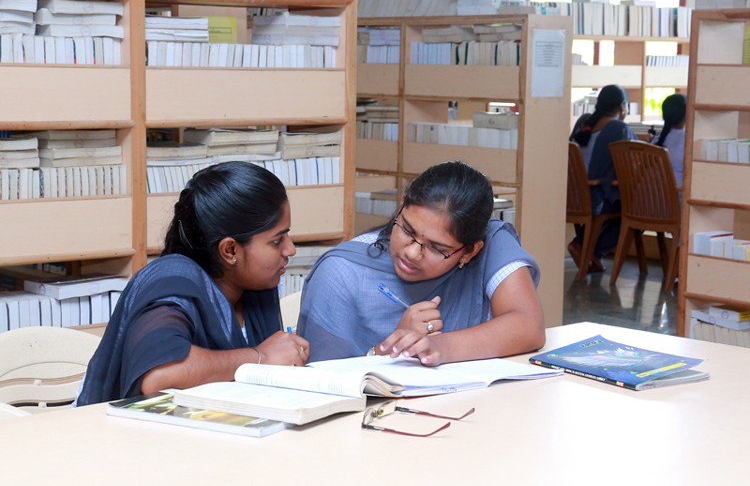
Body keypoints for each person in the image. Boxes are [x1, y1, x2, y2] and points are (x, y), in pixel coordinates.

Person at [75, 162, 308, 405]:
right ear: (229, 250)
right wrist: (261, 357)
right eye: (276, 240)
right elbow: (159, 376)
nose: (290, 249)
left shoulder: (256, 287)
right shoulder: (171, 281)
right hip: (114, 436)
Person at [297, 161, 544, 366]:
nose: (413, 253)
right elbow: (322, 381)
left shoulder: (492, 244)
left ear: (469, 252)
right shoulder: (342, 271)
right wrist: (392, 348)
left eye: (437, 248)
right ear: (401, 206)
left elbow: (528, 327)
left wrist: (439, 346)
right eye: (406, 229)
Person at [569, 84, 637, 273]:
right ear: (623, 106)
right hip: (594, 198)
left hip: (571, 197)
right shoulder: (618, 127)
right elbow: (632, 160)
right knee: (632, 212)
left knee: (618, 205)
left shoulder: (583, 122)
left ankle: (590, 252)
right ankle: (586, 247)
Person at [652, 93, 687, 188]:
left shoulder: (655, 140)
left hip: (650, 199)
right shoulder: (687, 142)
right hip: (676, 198)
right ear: (686, 116)